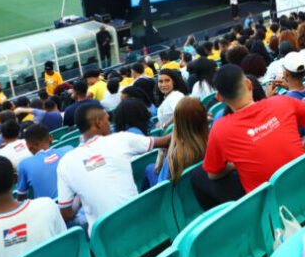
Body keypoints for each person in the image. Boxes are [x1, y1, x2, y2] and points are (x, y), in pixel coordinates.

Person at [191, 65, 305, 209]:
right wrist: (303, 149)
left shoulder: (219, 128)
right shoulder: (283, 101)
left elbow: (213, 175)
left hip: (268, 205)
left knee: (197, 175)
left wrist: (233, 166)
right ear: (248, 84)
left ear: (219, 98)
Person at [57, 103, 170, 231]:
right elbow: (165, 141)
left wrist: (78, 199)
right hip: (140, 222)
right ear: (98, 122)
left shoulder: (65, 162)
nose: (109, 124)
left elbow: (65, 214)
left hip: (104, 238)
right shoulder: (121, 139)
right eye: (107, 119)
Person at [150, 97, 208, 185]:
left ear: (177, 121)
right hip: (199, 187)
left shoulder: (175, 155)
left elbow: (162, 186)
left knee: (149, 169)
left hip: (176, 194)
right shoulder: (213, 141)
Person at [16, 124, 73, 200]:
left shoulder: (23, 165)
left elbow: (21, 199)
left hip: (50, 210)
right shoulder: (69, 149)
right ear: (51, 137)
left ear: (29, 146)